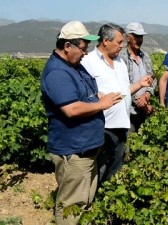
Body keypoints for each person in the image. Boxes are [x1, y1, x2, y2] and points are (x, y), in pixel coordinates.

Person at [41, 21, 121, 224]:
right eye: (83, 48)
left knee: (83, 202)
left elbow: (86, 95)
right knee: (72, 207)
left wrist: (101, 96)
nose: (85, 53)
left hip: (86, 148)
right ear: (68, 46)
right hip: (74, 150)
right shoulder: (58, 73)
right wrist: (102, 104)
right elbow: (72, 108)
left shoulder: (74, 66)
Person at [81, 23, 153, 184]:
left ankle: (108, 198)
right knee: (99, 166)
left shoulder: (119, 62)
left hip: (122, 123)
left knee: (116, 164)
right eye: (119, 42)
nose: (122, 45)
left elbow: (124, 91)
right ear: (106, 41)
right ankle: (92, 201)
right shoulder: (88, 61)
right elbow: (84, 93)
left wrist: (140, 84)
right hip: (102, 125)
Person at [120, 22, 156, 132]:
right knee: (129, 144)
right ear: (128, 37)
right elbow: (123, 85)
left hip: (145, 109)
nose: (139, 39)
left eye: (141, 36)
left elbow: (153, 79)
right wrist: (141, 103)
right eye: (136, 36)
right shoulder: (122, 58)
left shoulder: (145, 57)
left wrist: (147, 94)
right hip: (129, 111)